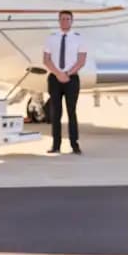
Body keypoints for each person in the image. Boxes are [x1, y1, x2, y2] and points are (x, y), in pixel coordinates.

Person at [42, 10, 86, 154]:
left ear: (72, 21)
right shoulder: (51, 38)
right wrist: (58, 73)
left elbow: (81, 60)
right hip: (55, 78)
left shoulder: (78, 38)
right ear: (59, 21)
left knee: (71, 112)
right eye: (62, 19)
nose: (65, 21)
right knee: (56, 113)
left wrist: (67, 73)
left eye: (68, 19)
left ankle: (74, 144)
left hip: (71, 79)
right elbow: (46, 59)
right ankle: (56, 145)